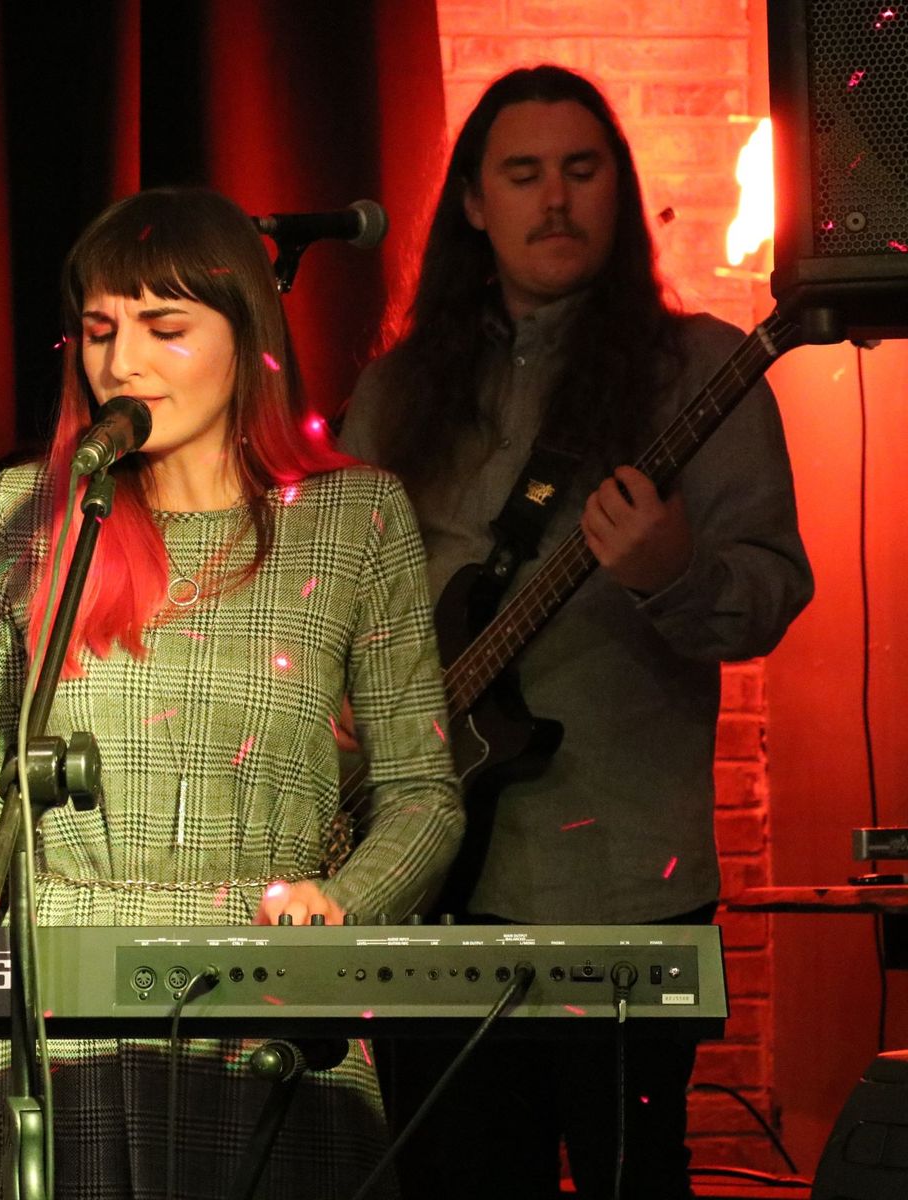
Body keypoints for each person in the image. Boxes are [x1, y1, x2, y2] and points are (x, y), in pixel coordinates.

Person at [0, 186, 463, 1199]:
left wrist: (340, 906)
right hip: (53, 1001)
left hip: (268, 997)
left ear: (246, 339)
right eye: (99, 331)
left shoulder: (353, 518)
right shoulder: (21, 514)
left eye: (164, 328)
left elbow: (421, 794)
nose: (121, 364)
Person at [338, 66, 813, 1198]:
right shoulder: (396, 392)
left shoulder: (704, 372)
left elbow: (769, 596)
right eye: (522, 173)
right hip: (425, 880)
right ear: (472, 203)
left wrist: (673, 573)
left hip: (623, 882)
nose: (554, 199)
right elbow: (333, 603)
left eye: (580, 169)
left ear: (617, 189)